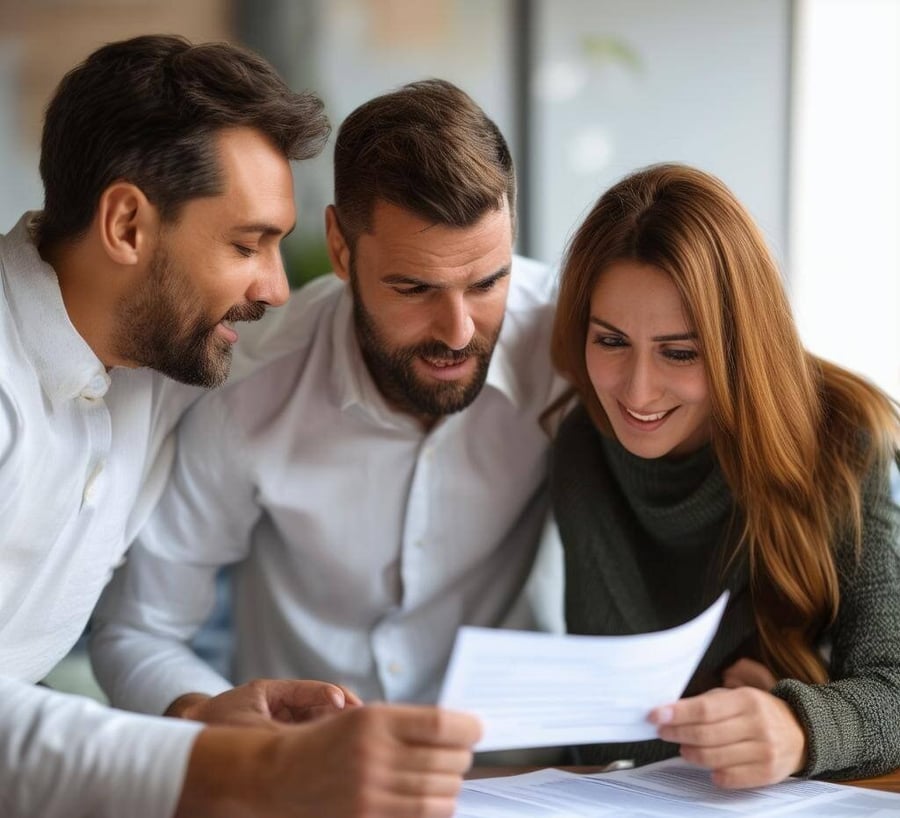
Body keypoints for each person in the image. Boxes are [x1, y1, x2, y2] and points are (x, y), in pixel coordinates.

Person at [0, 35, 479, 818]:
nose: (277, 287)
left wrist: (199, 716)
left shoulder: (161, 360)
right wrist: (244, 768)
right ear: (126, 224)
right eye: (246, 244)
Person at [89, 79, 563, 719]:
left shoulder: (574, 345)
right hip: (309, 780)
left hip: (523, 772)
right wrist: (208, 720)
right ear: (340, 247)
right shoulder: (246, 388)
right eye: (414, 288)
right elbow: (140, 630)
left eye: (487, 282)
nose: (458, 332)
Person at [548, 162, 900, 787]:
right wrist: (726, 725)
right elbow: (598, 737)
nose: (636, 390)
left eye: (680, 352)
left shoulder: (843, 434)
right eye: (610, 341)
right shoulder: (583, 445)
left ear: (740, 346)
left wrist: (793, 724)